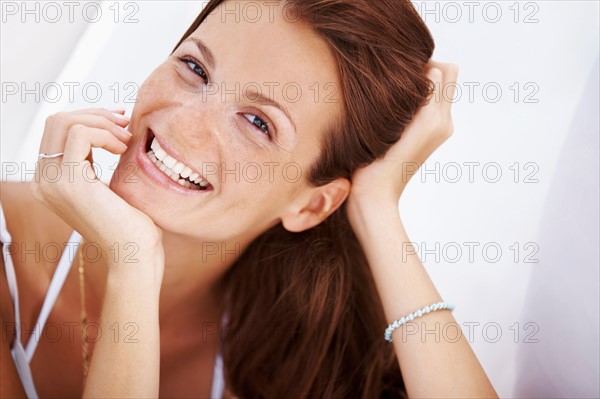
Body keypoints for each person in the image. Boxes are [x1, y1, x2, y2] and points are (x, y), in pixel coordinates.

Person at [1, 0, 498, 397]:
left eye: (258, 123)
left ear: (311, 205)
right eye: (195, 68)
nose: (182, 124)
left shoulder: (294, 355)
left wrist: (376, 208)